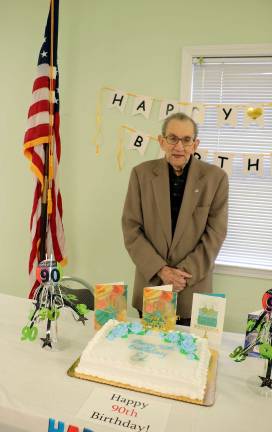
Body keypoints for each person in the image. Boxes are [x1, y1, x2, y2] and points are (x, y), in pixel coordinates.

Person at [122, 112, 228, 325]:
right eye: (172, 138)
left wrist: (181, 275)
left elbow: (216, 234)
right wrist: (161, 270)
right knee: (150, 351)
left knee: (191, 354)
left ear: (195, 144)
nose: (179, 146)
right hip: (152, 285)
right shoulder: (140, 174)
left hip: (193, 290)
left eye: (186, 139)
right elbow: (131, 228)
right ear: (162, 141)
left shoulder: (216, 178)